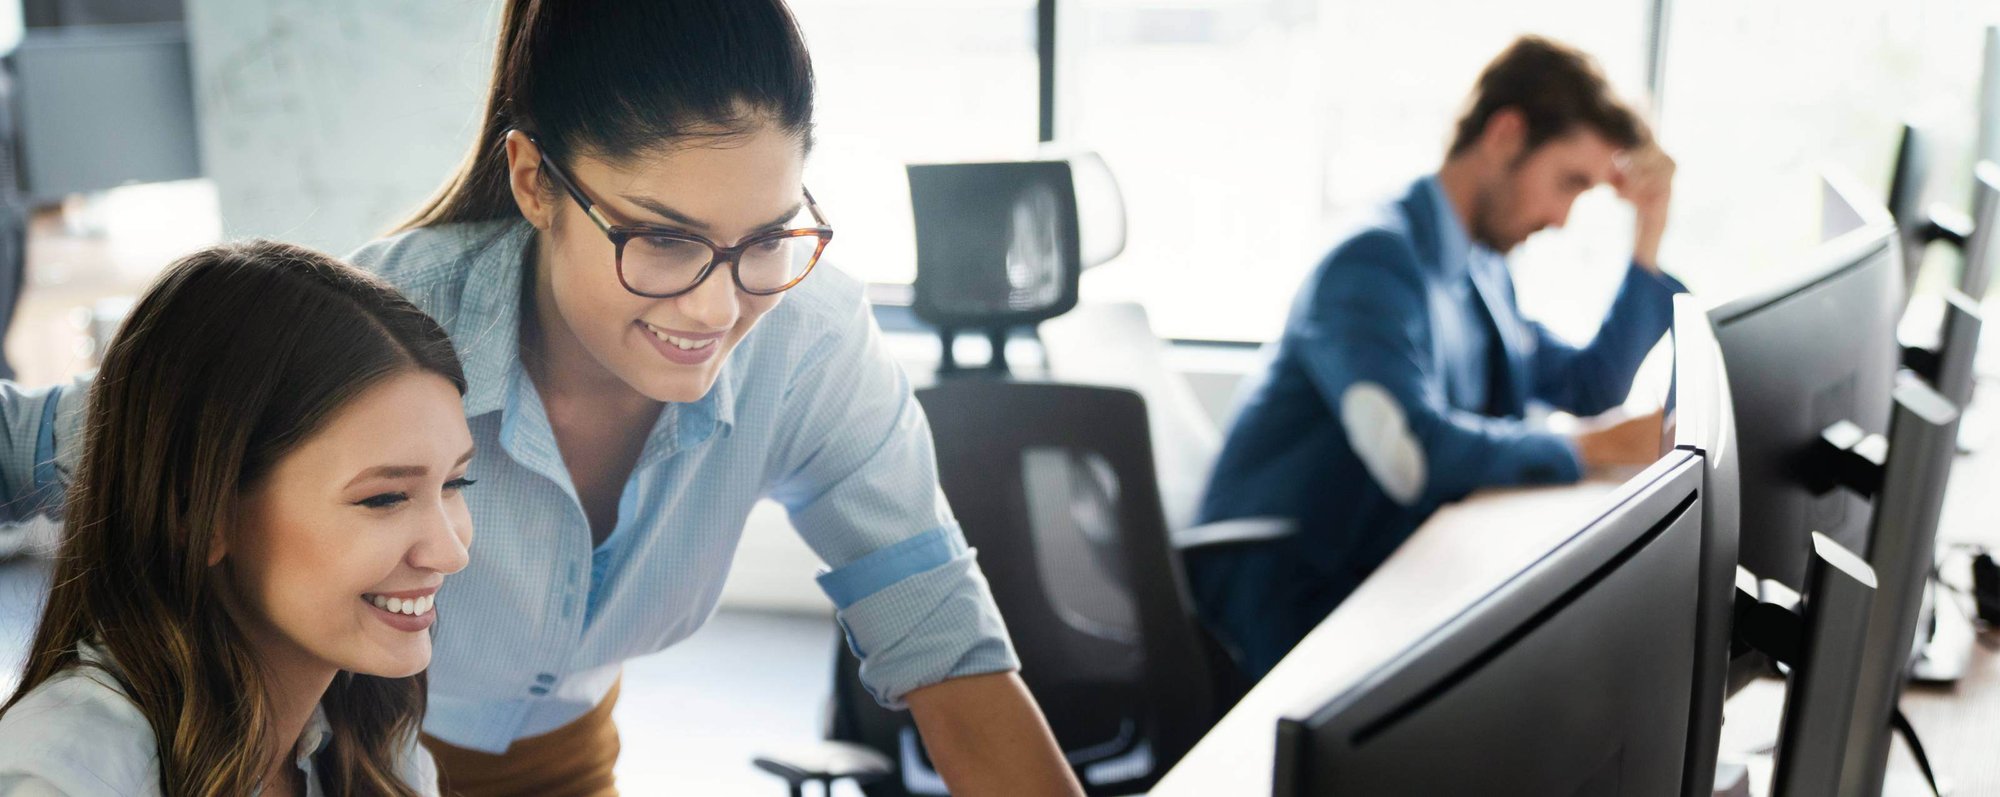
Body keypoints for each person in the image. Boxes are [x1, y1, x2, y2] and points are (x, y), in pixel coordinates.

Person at [1187, 35, 1688, 679]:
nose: (1563, 219)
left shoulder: (1480, 267)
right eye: (1567, 183)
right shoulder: (1371, 263)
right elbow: (1410, 456)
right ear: (1506, 134)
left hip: (1388, 570)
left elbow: (1588, 385)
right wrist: (1590, 448)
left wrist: (1648, 234)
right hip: (1291, 599)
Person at [0, 241, 472, 795]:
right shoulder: (65, 780)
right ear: (195, 511)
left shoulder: (376, 744)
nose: (451, 553)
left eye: (455, 483)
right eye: (385, 498)